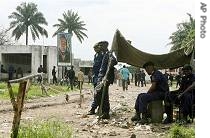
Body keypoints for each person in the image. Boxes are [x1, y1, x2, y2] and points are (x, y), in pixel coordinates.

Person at [95, 41, 117, 119]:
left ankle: (105, 112)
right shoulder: (102, 55)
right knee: (99, 94)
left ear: (105, 46)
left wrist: (110, 64)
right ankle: (102, 110)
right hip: (100, 76)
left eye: (101, 46)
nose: (99, 47)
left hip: (105, 77)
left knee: (103, 95)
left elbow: (114, 61)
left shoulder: (109, 54)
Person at [87, 42, 104, 115]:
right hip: (95, 77)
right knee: (96, 93)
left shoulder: (102, 55)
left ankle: (93, 108)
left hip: (100, 77)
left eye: (96, 48)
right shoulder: (95, 55)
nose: (95, 50)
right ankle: (95, 108)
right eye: (94, 49)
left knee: (98, 94)